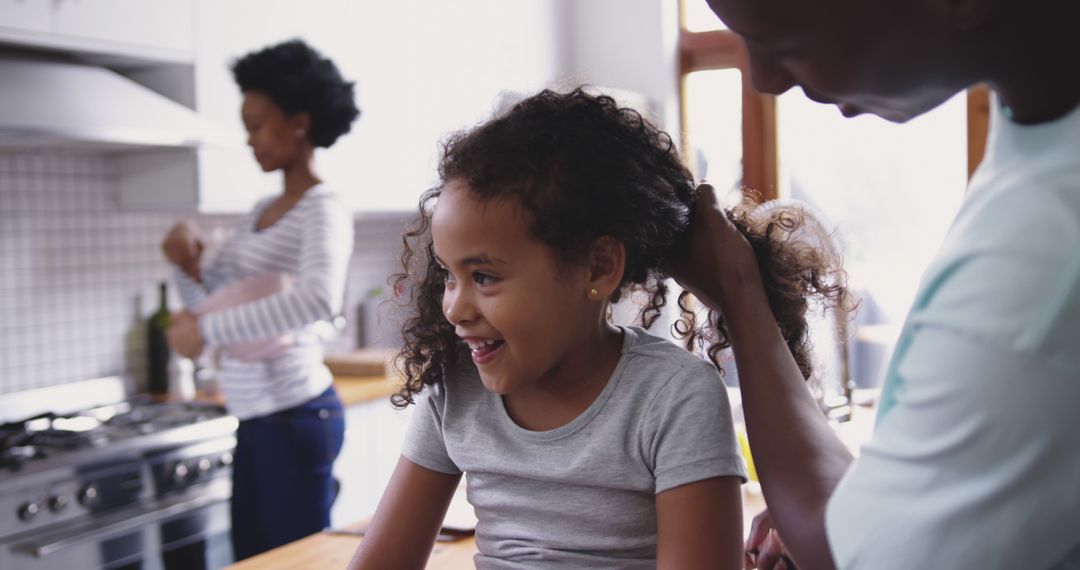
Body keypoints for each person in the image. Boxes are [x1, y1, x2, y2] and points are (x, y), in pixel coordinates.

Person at [348, 88, 846, 569]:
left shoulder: (672, 398)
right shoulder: (456, 392)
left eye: (484, 277)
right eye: (448, 276)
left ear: (598, 268)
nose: (455, 308)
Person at [671, 1, 1080, 568]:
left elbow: (847, 555)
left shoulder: (1046, 250)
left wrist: (741, 296)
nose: (764, 80)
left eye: (787, 41)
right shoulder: (1038, 129)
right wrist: (873, 502)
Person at [160, 38, 360, 561]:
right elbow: (211, 298)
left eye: (257, 124)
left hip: (295, 415)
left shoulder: (323, 207)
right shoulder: (261, 210)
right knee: (252, 559)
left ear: (299, 122)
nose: (249, 140)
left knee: (293, 563)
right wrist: (182, 256)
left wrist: (205, 333)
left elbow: (318, 298)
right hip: (255, 416)